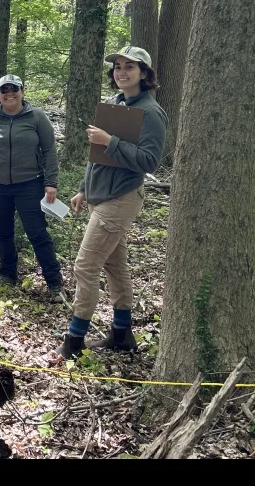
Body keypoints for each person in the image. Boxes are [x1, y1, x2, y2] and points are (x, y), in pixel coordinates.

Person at [56, 45, 167, 358]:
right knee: (115, 267)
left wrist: (111, 140)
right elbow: (98, 157)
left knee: (85, 266)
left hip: (120, 198)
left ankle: (73, 342)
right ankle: (122, 333)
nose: (122, 72)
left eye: (130, 67)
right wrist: (82, 188)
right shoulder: (114, 103)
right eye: (118, 67)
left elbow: (149, 162)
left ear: (144, 74)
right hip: (99, 195)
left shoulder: (151, 113)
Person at [0, 74, 63, 294]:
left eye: (14, 88)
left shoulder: (37, 117)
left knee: (37, 233)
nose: (9, 93)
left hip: (29, 184)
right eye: (4, 90)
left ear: (22, 90)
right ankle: (8, 275)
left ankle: (54, 281)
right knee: (3, 232)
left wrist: (51, 182)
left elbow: (49, 151)